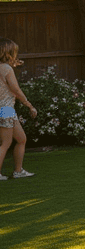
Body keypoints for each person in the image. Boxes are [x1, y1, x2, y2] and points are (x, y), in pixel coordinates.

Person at [0, 38, 37, 180]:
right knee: (5, 143)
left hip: (6, 109)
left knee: (21, 139)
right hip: (6, 109)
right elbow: (16, 90)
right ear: (8, 52)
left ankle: (18, 171)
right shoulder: (7, 69)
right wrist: (29, 105)